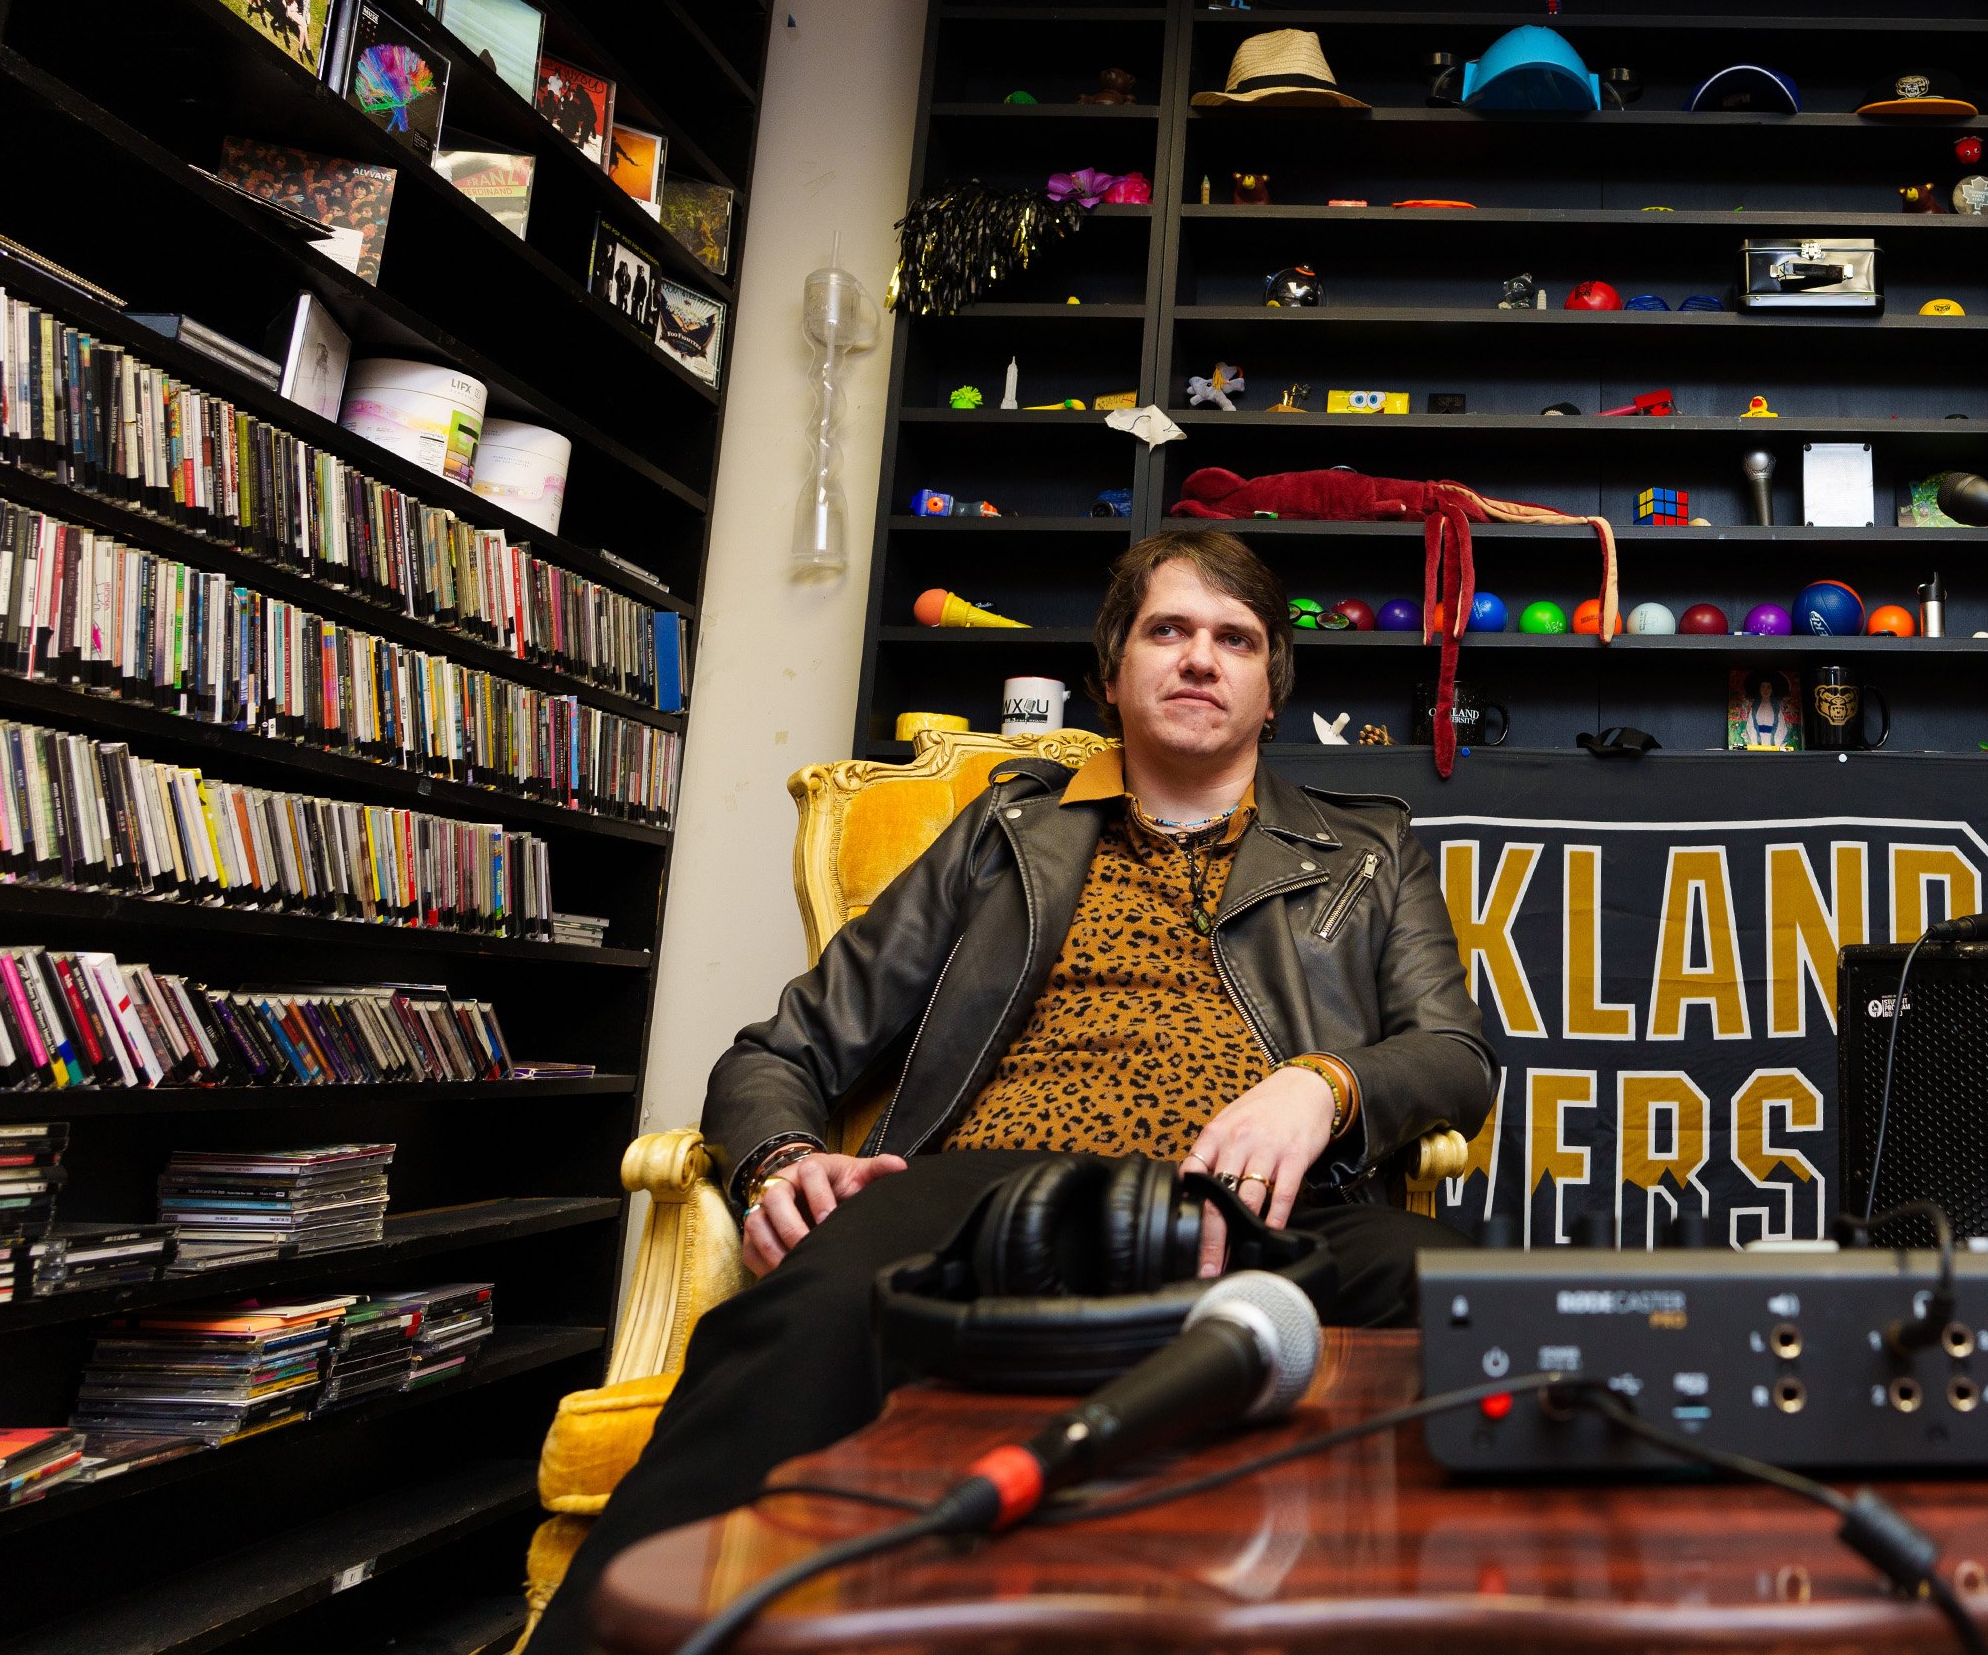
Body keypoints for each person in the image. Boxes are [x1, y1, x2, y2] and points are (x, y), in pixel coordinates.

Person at [527, 530, 1490, 1652]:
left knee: (1481, 1307)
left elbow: (1455, 1056)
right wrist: (782, 1160)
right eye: (1167, 631)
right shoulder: (1002, 831)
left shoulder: (1368, 848)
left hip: (1264, 1207)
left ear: (1271, 687)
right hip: (987, 1197)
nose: (1199, 658)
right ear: (1111, 672)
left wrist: (1322, 1084)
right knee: (807, 1313)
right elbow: (777, 1052)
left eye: (1234, 640)